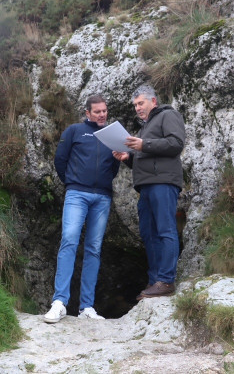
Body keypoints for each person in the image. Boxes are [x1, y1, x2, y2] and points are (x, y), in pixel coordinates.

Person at [43, 94, 120, 323]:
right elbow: (60, 160)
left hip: (103, 197)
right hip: (77, 194)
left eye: (104, 111)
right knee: (69, 240)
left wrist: (102, 182)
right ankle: (59, 302)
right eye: (97, 111)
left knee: (94, 248)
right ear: (87, 113)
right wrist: (73, 182)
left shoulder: (113, 135)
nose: (102, 115)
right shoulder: (75, 131)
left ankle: (87, 307)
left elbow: (115, 165)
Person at [113, 84, 186, 299]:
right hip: (146, 185)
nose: (137, 108)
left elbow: (175, 144)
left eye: (140, 103)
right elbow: (147, 156)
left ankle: (166, 281)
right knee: (148, 233)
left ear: (153, 101)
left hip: (163, 183)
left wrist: (144, 144)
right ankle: (155, 281)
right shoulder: (145, 127)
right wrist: (128, 158)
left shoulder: (168, 115)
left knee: (165, 230)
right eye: (135, 105)